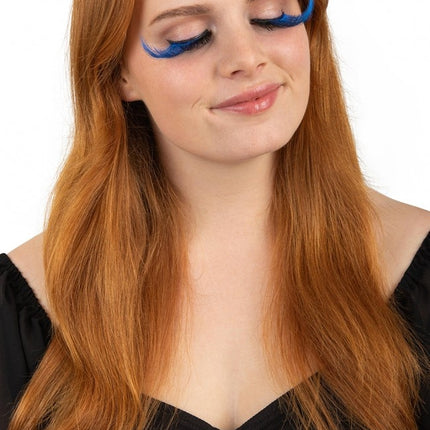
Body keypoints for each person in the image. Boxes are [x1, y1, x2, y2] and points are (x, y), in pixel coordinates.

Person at [0, 0, 429, 429]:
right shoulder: (17, 312)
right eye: (189, 37)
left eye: (271, 15)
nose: (246, 57)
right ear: (119, 74)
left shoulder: (416, 263)